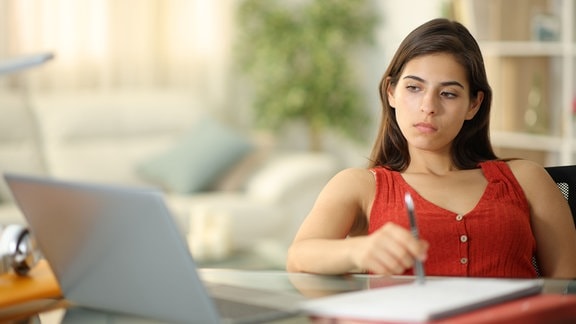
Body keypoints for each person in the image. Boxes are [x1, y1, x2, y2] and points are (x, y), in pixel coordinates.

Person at [286, 18, 576, 279]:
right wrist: (358, 251)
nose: (428, 107)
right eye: (414, 88)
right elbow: (298, 258)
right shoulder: (360, 185)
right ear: (391, 92)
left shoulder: (526, 179)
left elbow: (568, 287)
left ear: (473, 104)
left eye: (448, 94)